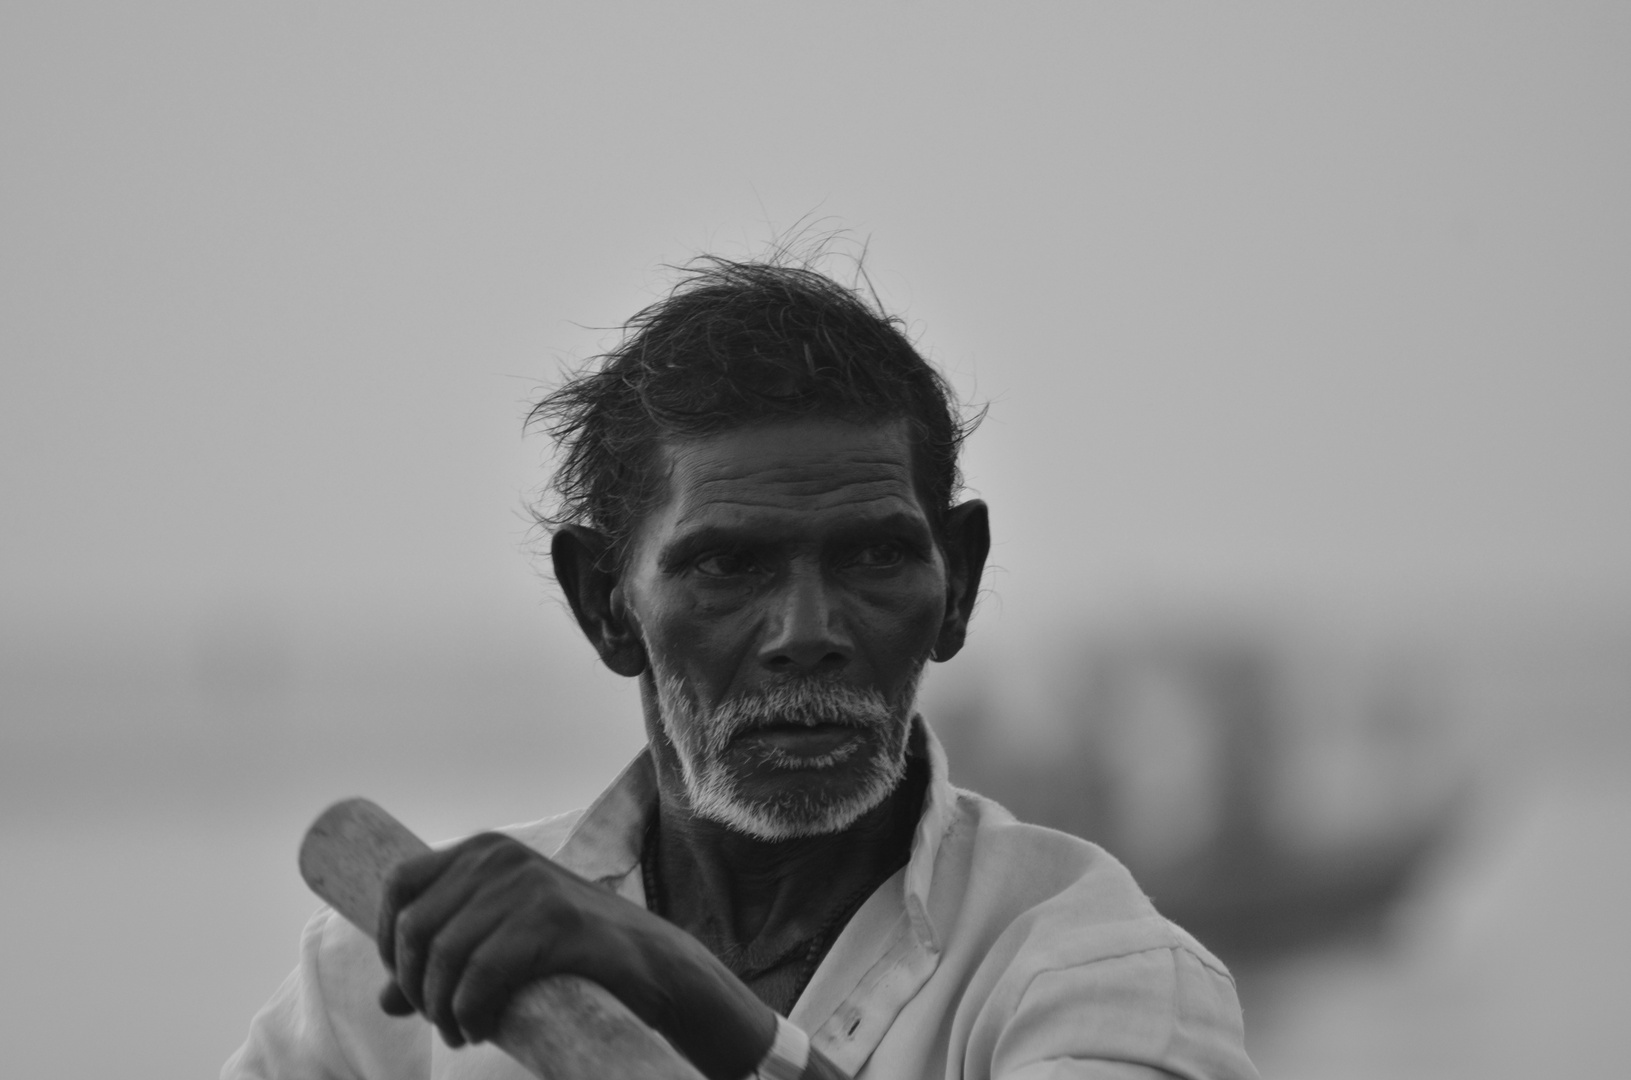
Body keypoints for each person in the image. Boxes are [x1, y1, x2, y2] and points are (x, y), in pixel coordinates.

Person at [223, 257, 1260, 1080]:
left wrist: (697, 1003)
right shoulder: (386, 986)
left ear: (956, 585)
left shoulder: (1097, 975)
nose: (805, 630)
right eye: (727, 565)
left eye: (871, 556)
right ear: (605, 605)